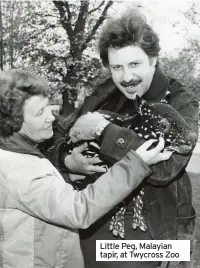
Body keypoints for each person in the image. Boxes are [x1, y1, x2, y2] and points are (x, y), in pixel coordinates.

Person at [50, 9, 199, 268]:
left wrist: (103, 131)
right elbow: (56, 136)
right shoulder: (106, 91)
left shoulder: (180, 101)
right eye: (117, 67)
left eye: (134, 64)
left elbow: (166, 167)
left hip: (155, 229)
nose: (126, 77)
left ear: (153, 59)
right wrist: (66, 159)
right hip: (92, 218)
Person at [0, 69, 171, 268]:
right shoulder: (18, 169)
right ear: (13, 123)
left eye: (48, 107)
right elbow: (78, 209)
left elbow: (41, 194)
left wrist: (66, 171)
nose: (52, 118)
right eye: (40, 112)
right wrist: (136, 162)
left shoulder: (18, 152)